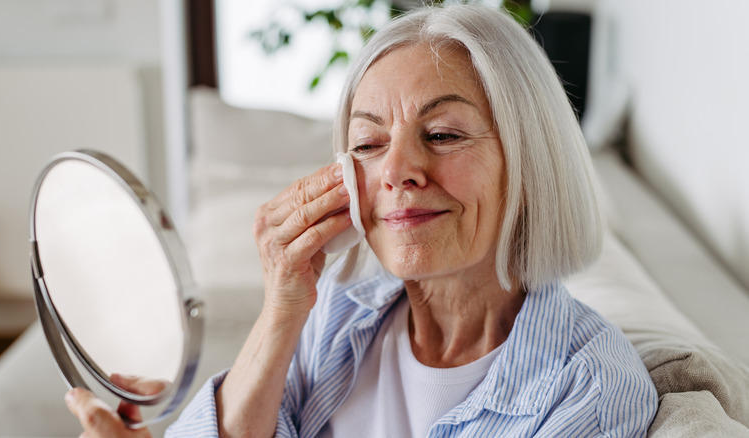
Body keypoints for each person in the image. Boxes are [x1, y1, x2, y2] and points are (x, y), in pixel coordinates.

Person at [66, 4, 658, 437]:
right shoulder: (338, 318)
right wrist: (281, 307)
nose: (397, 170)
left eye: (444, 134)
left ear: (532, 164)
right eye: (369, 144)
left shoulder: (590, 392)